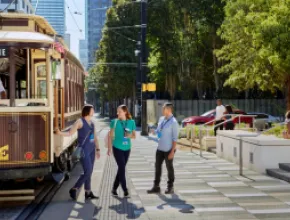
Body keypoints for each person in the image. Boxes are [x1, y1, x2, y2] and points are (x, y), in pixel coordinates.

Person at [56, 105, 100, 200]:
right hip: (84, 151)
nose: (93, 111)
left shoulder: (92, 123)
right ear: (87, 111)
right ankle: (74, 188)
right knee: (88, 171)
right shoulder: (80, 122)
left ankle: (88, 192)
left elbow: (95, 137)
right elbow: (70, 133)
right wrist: (60, 133)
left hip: (92, 150)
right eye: (92, 110)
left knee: (90, 172)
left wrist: (98, 149)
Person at [147, 103, 178, 194]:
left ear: (169, 110)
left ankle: (170, 186)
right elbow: (158, 131)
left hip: (168, 149)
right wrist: (154, 131)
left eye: (163, 109)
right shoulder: (161, 119)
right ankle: (156, 186)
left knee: (169, 168)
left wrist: (172, 151)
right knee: (157, 167)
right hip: (160, 148)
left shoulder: (174, 122)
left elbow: (175, 139)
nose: (162, 110)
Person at [108, 105, 136, 198]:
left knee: (121, 168)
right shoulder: (114, 122)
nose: (118, 113)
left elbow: (134, 136)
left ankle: (114, 188)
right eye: (117, 111)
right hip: (117, 148)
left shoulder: (131, 122)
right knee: (122, 168)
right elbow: (110, 136)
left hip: (127, 148)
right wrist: (109, 148)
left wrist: (129, 136)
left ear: (125, 112)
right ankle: (125, 190)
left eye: (119, 111)